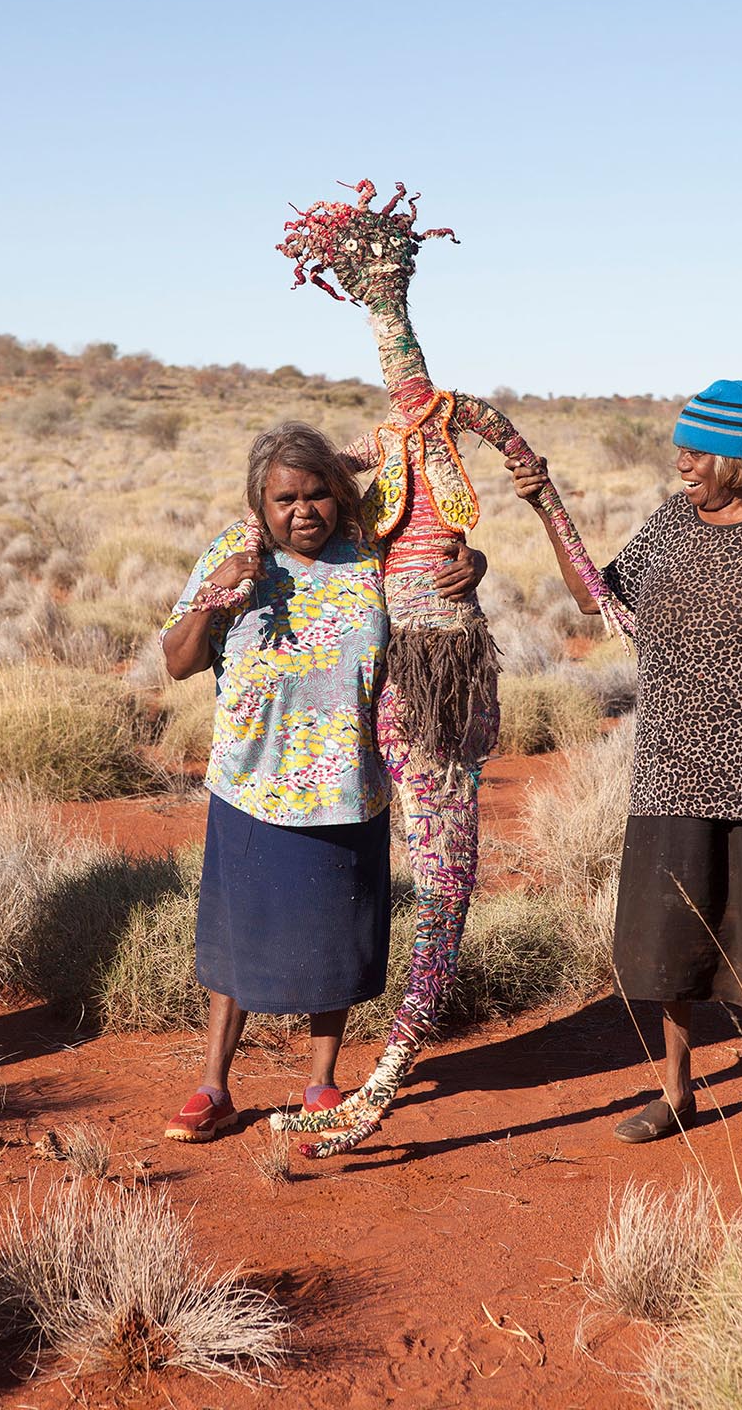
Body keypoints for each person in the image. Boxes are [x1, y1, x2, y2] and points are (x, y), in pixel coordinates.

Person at [509, 380, 742, 1154]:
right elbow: (594, 596)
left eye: (697, 450)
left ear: (737, 457)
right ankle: (675, 1092)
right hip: (671, 766)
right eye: (681, 447)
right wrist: (549, 508)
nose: (682, 462)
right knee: (671, 937)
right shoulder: (673, 520)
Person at [160, 421, 484, 1142]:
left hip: (347, 781)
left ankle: (320, 1084)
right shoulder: (232, 555)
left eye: (316, 496)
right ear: (260, 502)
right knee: (234, 940)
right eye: (284, 500)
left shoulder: (370, 552)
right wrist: (217, 595)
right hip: (252, 780)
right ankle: (214, 1087)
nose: (303, 511)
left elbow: (438, 577)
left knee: (338, 937)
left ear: (338, 497)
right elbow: (177, 662)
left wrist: (474, 563)